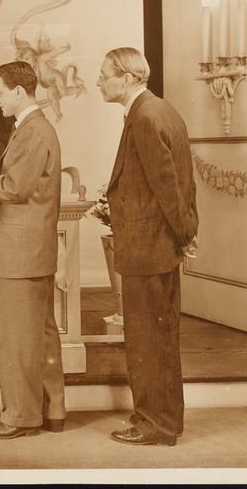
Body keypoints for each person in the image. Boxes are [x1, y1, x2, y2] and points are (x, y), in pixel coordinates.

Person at [96, 47, 198, 446]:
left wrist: (184, 232)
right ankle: (161, 420)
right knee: (159, 337)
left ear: (126, 78)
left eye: (104, 74)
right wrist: (187, 229)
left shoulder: (144, 116)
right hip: (156, 246)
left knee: (147, 340)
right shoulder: (160, 110)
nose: (98, 81)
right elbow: (181, 182)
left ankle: (155, 423)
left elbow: (168, 186)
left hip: (147, 249)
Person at [0, 61, 66, 439]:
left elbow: (14, 189)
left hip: (23, 252)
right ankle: (53, 410)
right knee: (42, 334)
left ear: (19, 92)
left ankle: (20, 417)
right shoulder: (32, 128)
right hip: (34, 249)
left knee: (20, 338)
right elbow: (22, 180)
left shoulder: (33, 129)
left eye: (0, 92)